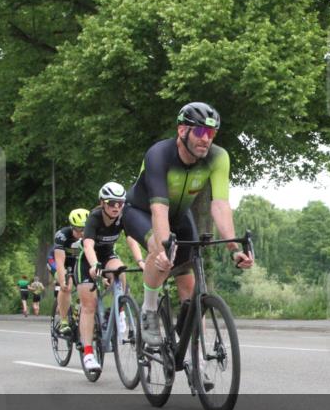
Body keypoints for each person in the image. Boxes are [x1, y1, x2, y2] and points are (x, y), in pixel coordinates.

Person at [122, 102, 253, 387]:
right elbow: (158, 210)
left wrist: (234, 249)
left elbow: (220, 205)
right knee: (161, 251)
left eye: (212, 132)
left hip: (180, 215)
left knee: (191, 289)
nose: (207, 138)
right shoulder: (159, 154)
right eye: (201, 131)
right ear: (182, 130)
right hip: (141, 211)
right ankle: (149, 311)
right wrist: (163, 246)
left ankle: (197, 362)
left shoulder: (218, 157)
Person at [75, 182, 144, 373]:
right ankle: (88, 353)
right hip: (87, 259)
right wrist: (94, 265)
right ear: (102, 203)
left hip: (107, 255)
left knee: (120, 270)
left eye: (120, 203)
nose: (116, 207)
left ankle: (120, 310)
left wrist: (140, 261)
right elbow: (88, 245)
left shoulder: (122, 217)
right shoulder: (94, 218)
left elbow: (131, 239)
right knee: (89, 305)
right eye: (111, 202)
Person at [51, 208, 89, 335]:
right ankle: (63, 322)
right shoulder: (62, 235)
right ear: (72, 227)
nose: (82, 233)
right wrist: (62, 281)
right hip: (58, 261)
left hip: (76, 261)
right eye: (79, 229)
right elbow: (60, 262)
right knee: (67, 285)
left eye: (85, 229)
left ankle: (78, 309)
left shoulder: (90, 236)